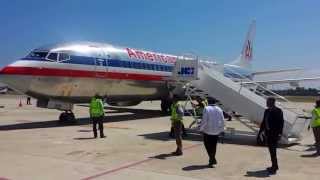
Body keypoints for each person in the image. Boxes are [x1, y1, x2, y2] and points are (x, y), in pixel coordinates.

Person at [259, 97, 284, 174]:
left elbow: (281, 123)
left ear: (272, 102)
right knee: (271, 151)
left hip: (274, 134)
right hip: (268, 134)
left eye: (268, 102)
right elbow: (264, 121)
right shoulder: (266, 111)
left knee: (273, 151)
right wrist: (261, 131)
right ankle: (274, 165)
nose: (266, 103)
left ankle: (274, 167)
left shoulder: (278, 111)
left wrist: (280, 133)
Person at [200, 99, 224, 167]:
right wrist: (222, 130)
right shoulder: (219, 109)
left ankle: (212, 158)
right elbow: (222, 120)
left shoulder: (206, 108)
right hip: (216, 131)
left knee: (207, 145)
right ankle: (212, 158)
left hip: (208, 131)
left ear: (209, 102)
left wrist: (201, 129)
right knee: (214, 146)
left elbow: (204, 120)